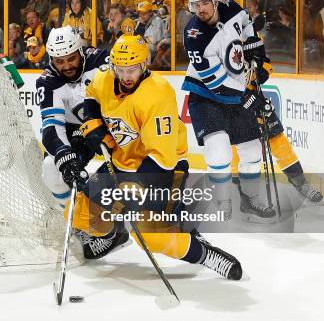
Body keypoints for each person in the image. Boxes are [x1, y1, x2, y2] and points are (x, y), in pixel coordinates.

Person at [77, 34, 242, 280]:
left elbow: (161, 159)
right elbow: (91, 95)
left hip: (164, 166)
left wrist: (132, 190)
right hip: (123, 162)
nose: (125, 76)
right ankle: (114, 235)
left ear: (145, 65)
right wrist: (92, 122)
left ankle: (203, 253)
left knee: (150, 234)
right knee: (81, 212)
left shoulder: (157, 94)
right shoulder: (104, 78)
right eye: (120, 69)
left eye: (131, 69)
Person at [182, 0, 275, 222]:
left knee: (252, 148)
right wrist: (248, 96)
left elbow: (246, 23)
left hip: (236, 88)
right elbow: (216, 82)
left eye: (205, 3)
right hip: (205, 95)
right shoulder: (195, 36)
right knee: (220, 149)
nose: (200, 9)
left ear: (215, 1)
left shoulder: (230, 7)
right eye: (196, 5)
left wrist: (257, 53)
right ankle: (222, 200)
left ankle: (250, 199)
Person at [35, 26, 130, 259]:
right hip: (76, 132)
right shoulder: (47, 81)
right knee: (51, 169)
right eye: (59, 61)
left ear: (81, 50)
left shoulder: (101, 60)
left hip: (109, 122)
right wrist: (64, 156)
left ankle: (124, 220)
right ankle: (79, 224)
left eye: (71, 58)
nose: (66, 66)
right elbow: (51, 128)